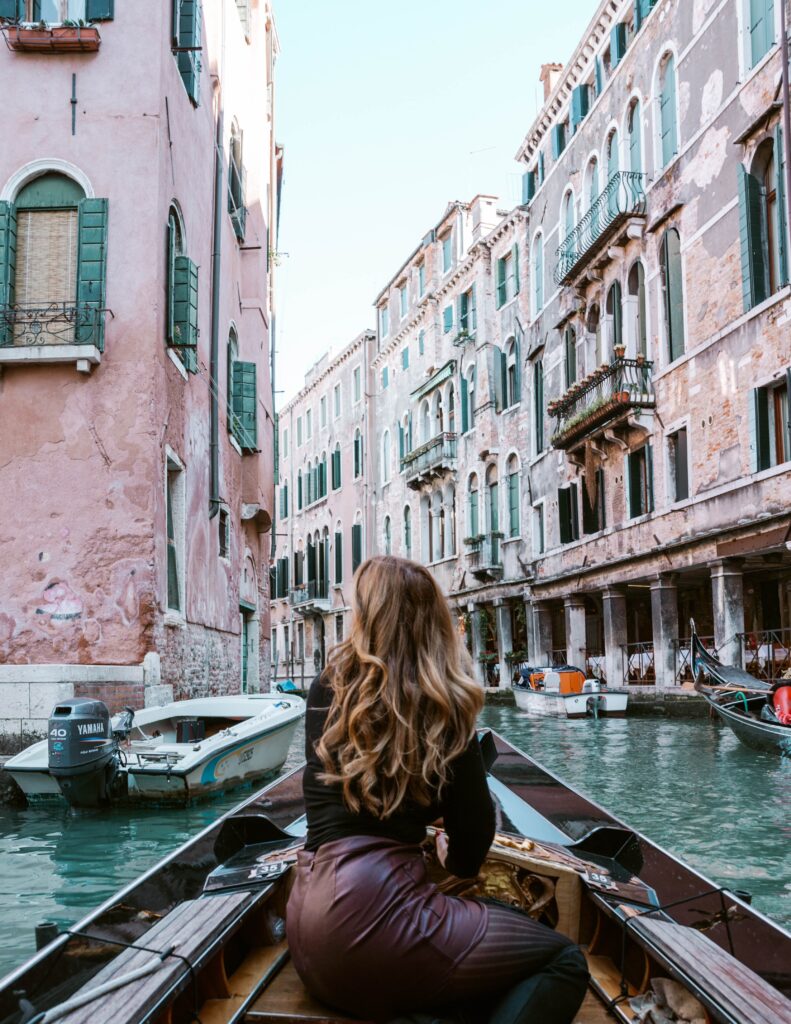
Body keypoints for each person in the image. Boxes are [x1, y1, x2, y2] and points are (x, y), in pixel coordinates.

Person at [286, 556, 589, 1024]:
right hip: (380, 929)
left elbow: (356, 797)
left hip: (308, 931)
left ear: (365, 617)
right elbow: (471, 848)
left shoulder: (326, 688)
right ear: (433, 624)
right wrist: (444, 847)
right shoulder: (443, 705)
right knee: (564, 961)